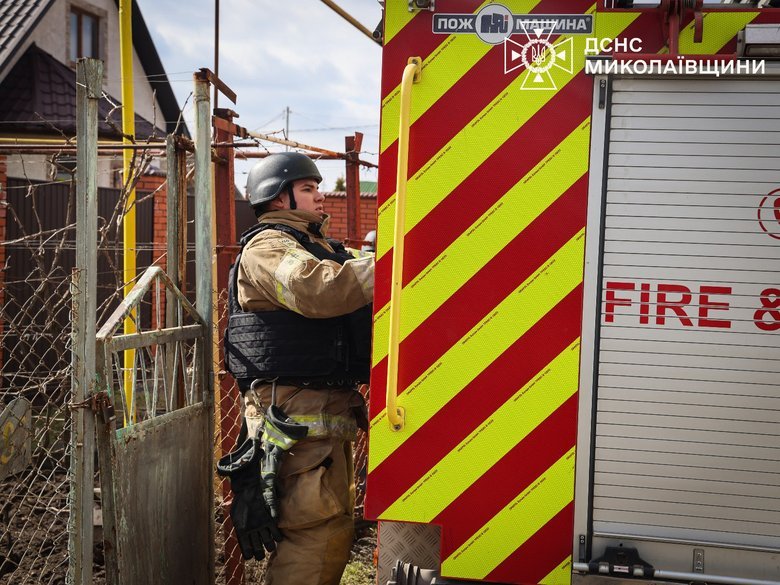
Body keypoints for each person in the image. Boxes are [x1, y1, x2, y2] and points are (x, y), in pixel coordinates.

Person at [221, 152, 374, 585]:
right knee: (314, 536)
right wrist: (397, 264)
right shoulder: (268, 247)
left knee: (331, 531)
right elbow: (318, 289)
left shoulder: (316, 245)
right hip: (296, 426)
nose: (319, 194)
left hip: (321, 423)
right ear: (276, 197)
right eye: (307, 188)